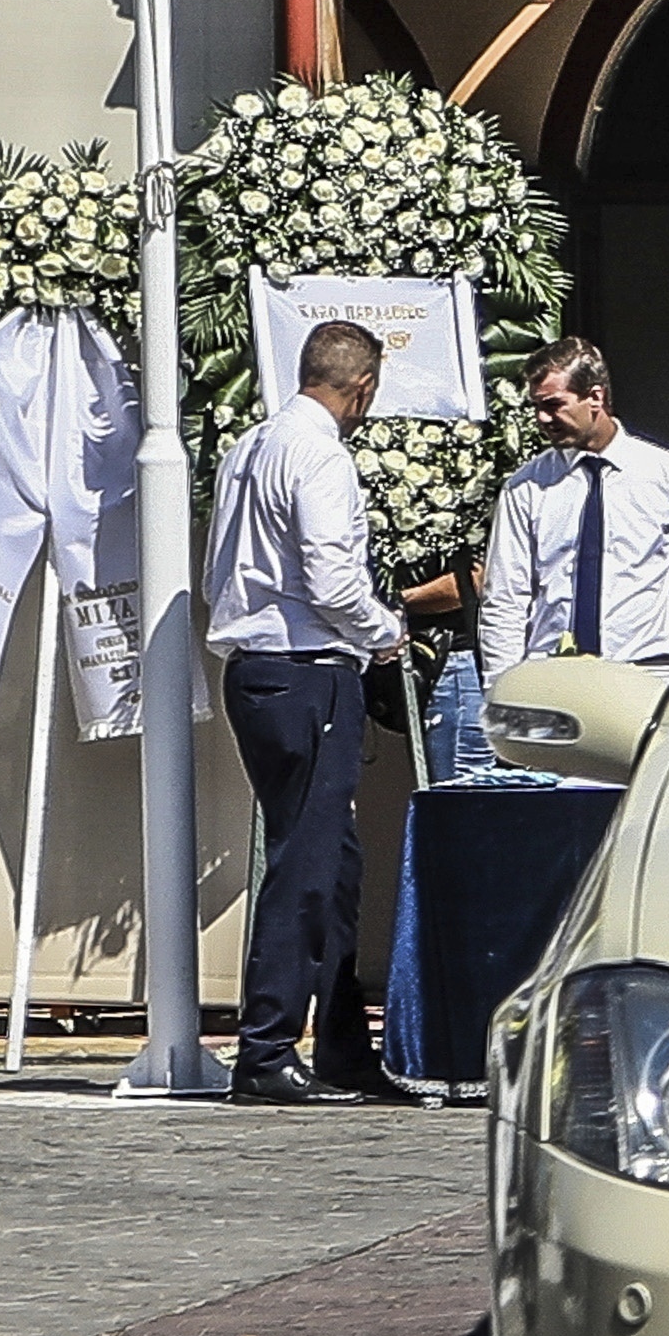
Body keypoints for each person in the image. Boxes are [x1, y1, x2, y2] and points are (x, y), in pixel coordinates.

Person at [205, 317, 406, 1106]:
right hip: (305, 666)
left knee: (335, 863)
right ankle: (267, 1049)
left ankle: (344, 1047)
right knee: (306, 867)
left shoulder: (251, 446)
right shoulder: (318, 453)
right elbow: (330, 577)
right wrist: (384, 633)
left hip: (259, 668)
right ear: (361, 388)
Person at [479, 341, 669, 680]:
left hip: (647, 673)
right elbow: (505, 600)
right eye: (536, 407)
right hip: (554, 677)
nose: (542, 418)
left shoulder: (668, 475)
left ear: (595, 397)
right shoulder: (526, 487)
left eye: (553, 405)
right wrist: (500, 691)